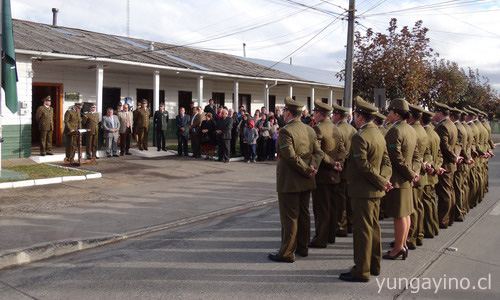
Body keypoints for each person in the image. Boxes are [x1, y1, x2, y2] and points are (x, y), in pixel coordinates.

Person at [339, 96, 392, 282]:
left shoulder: (359, 137)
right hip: (375, 190)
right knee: (373, 228)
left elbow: (363, 166)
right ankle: (374, 265)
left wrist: (381, 181)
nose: (353, 117)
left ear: (360, 117)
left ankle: (361, 270)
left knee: (363, 231)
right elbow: (386, 161)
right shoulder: (378, 133)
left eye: (355, 114)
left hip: (363, 190)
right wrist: (385, 179)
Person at [268, 97, 324, 263]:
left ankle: (287, 252)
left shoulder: (286, 131)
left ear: (288, 113)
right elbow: (318, 153)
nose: (284, 114)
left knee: (290, 217)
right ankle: (302, 246)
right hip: (306, 179)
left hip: (290, 181)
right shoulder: (310, 130)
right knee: (304, 214)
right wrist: (312, 168)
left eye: (285, 111)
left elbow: (290, 157)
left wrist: (308, 170)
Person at [384, 98, 419, 258]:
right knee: (405, 214)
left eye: (389, 112)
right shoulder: (411, 129)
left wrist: (410, 174)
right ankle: (402, 244)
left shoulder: (395, 130)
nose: (388, 115)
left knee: (399, 215)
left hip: (399, 179)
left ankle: (398, 248)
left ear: (396, 114)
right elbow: (416, 155)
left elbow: (396, 158)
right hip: (407, 178)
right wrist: (414, 172)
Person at [309, 99, 346, 249]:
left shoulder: (318, 129)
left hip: (323, 174)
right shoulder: (337, 128)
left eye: (315, 113)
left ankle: (321, 238)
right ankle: (330, 235)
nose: (314, 116)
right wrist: (339, 163)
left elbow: (319, 152)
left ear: (319, 114)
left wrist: (332, 163)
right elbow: (343, 150)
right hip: (335, 174)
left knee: (321, 208)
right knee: (332, 206)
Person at [432, 102, 459, 229]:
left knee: (444, 194)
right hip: (450, 164)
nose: (434, 114)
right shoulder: (451, 125)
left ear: (440, 113)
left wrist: (453, 157)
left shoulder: (442, 126)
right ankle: (449, 218)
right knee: (449, 192)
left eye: (435, 112)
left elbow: (444, 145)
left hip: (445, 164)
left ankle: (443, 220)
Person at [406, 104, 430, 249]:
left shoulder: (412, 131)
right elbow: (426, 153)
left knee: (413, 208)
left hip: (414, 173)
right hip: (421, 173)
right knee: (418, 206)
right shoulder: (423, 129)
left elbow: (413, 155)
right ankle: (418, 234)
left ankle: (411, 238)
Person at [333, 103, 357, 237]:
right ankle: (351, 224)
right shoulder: (353, 129)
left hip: (341, 167)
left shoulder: (336, 130)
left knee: (340, 198)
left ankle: (341, 225)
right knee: (349, 197)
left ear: (337, 116)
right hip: (350, 167)